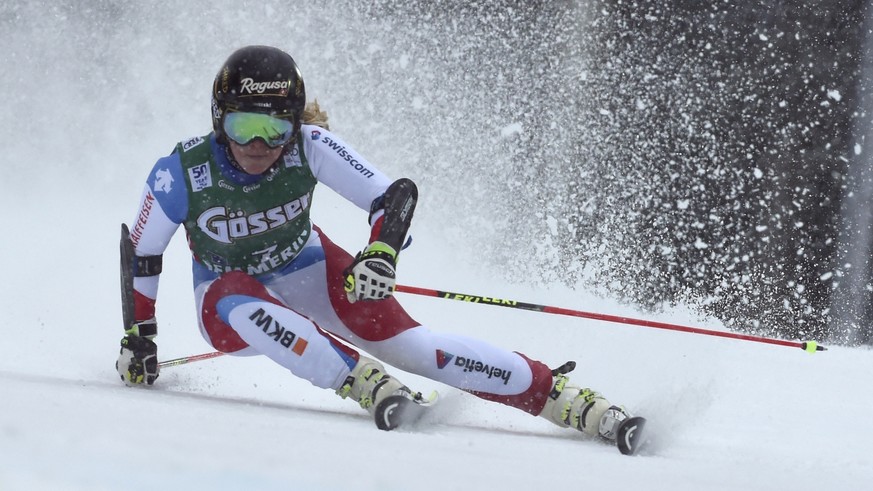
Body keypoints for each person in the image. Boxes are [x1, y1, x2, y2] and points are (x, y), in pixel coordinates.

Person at [117, 45, 633, 442]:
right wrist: (139, 339)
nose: (258, 144)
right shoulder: (180, 174)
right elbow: (141, 251)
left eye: (274, 128)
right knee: (235, 292)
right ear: (218, 119)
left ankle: (565, 398)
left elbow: (394, 196)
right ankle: (363, 381)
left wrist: (380, 254)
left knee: (411, 346)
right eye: (243, 124)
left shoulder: (309, 147)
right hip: (226, 305)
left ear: (294, 124)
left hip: (307, 270)